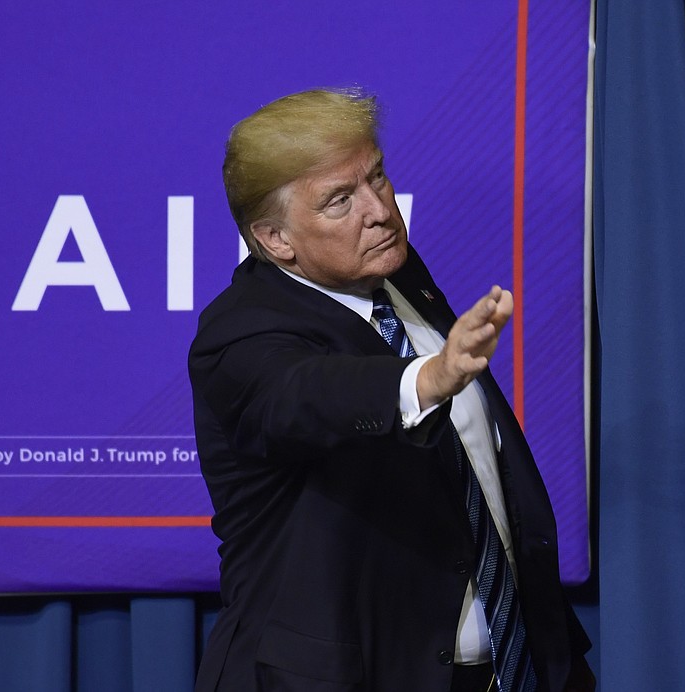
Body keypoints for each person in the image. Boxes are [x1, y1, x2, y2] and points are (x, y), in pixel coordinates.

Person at [189, 88, 594, 692]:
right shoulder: (240, 334)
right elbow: (305, 397)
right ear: (276, 240)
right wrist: (425, 379)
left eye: (376, 177)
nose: (378, 210)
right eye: (339, 201)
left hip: (514, 666)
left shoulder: (391, 269)